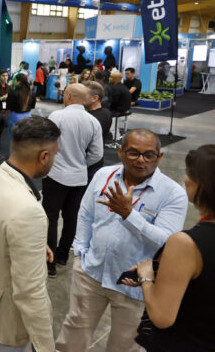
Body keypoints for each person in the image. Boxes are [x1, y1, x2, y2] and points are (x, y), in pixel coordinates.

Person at [56, 129, 188, 352]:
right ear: (120, 152)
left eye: (149, 155)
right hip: (91, 274)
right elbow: (86, 214)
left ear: (160, 156)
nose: (141, 160)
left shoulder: (172, 194)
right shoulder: (103, 176)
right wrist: (80, 252)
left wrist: (129, 215)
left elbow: (167, 242)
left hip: (134, 285)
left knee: (126, 345)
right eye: (133, 153)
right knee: (74, 331)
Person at [0, 116, 61, 352]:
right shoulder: (28, 211)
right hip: (5, 323)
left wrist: (34, 244)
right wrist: (45, 346)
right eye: (55, 154)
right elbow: (30, 292)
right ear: (44, 157)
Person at [121, 144, 215, 351]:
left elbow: (162, 316)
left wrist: (147, 277)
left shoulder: (185, 244)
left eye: (190, 174)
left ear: (204, 185)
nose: (185, 179)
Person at [43, 84, 104, 277]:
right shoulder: (93, 121)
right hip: (79, 178)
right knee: (72, 218)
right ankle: (62, 256)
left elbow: (46, 144)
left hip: (55, 176)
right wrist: (80, 165)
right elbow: (97, 154)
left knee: (50, 218)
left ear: (68, 96)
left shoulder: (57, 117)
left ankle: (49, 264)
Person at [83, 82, 113, 179]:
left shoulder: (92, 118)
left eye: (82, 95)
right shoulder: (105, 112)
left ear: (95, 98)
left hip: (89, 165)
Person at [0, 70, 10, 157]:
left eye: (6, 76)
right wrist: (0, 98)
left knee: (1, 132)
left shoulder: (8, 87)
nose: (5, 77)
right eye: (3, 76)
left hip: (6, 112)